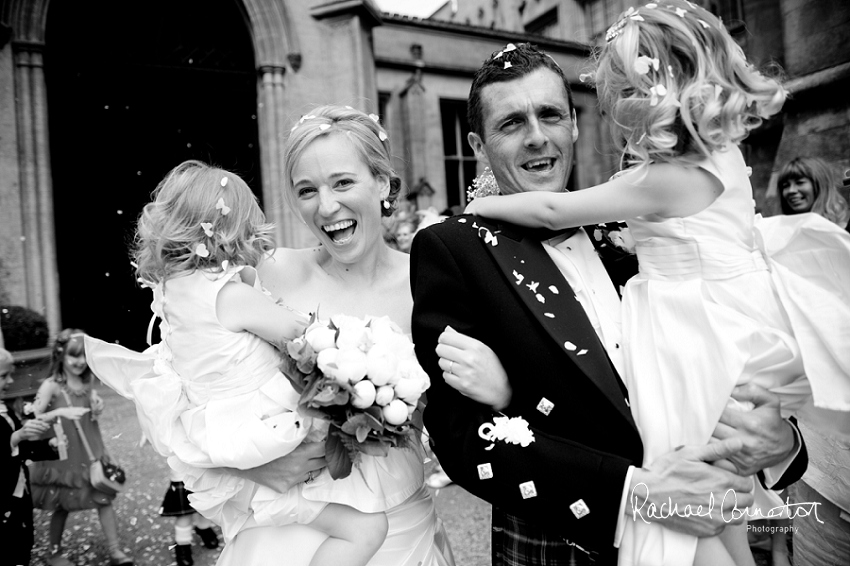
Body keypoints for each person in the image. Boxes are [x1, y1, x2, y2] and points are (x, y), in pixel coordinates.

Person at [463, 5, 850, 564]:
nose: (616, 107)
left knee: (705, 505)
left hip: (694, 344)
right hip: (718, 339)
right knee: (714, 511)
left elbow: (552, 210)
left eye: (622, 92)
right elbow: (467, 437)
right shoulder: (720, 162)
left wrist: (481, 207)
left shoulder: (655, 185)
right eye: (510, 123)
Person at [84, 160, 393, 566]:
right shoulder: (229, 296)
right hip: (265, 437)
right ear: (233, 227)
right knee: (368, 529)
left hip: (227, 440)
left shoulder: (172, 293)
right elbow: (308, 337)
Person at [202, 104, 457, 566]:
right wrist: (251, 464)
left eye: (342, 182)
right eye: (306, 190)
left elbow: (459, 419)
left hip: (400, 530)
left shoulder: (429, 285)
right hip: (287, 534)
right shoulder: (269, 274)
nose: (326, 206)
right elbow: (187, 394)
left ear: (382, 182)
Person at [29, 329, 132, 566]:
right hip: (64, 456)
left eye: (83, 356)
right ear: (60, 356)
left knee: (104, 499)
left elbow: (90, 413)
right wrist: (59, 412)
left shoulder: (87, 382)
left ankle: (116, 550)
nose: (79, 362)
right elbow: (34, 417)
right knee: (61, 504)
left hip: (90, 451)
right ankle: (54, 552)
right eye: (73, 356)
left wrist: (97, 407)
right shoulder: (50, 386)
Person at [1, 347, 68, 566]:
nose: (10, 381)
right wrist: (15, 437)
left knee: (23, 540)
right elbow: (12, 443)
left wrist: (50, 446)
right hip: (4, 498)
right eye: (3, 376)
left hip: (20, 493)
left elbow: (21, 450)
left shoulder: (6, 409)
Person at [157, 465, 220, 566]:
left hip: (206, 472)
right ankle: (182, 544)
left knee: (205, 507)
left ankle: (203, 528)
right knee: (184, 516)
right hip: (183, 475)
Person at [778, 156, 850, 230]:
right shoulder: (780, 233)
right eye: (785, 186)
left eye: (799, 183)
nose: (791, 190)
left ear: (820, 186)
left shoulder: (843, 232)